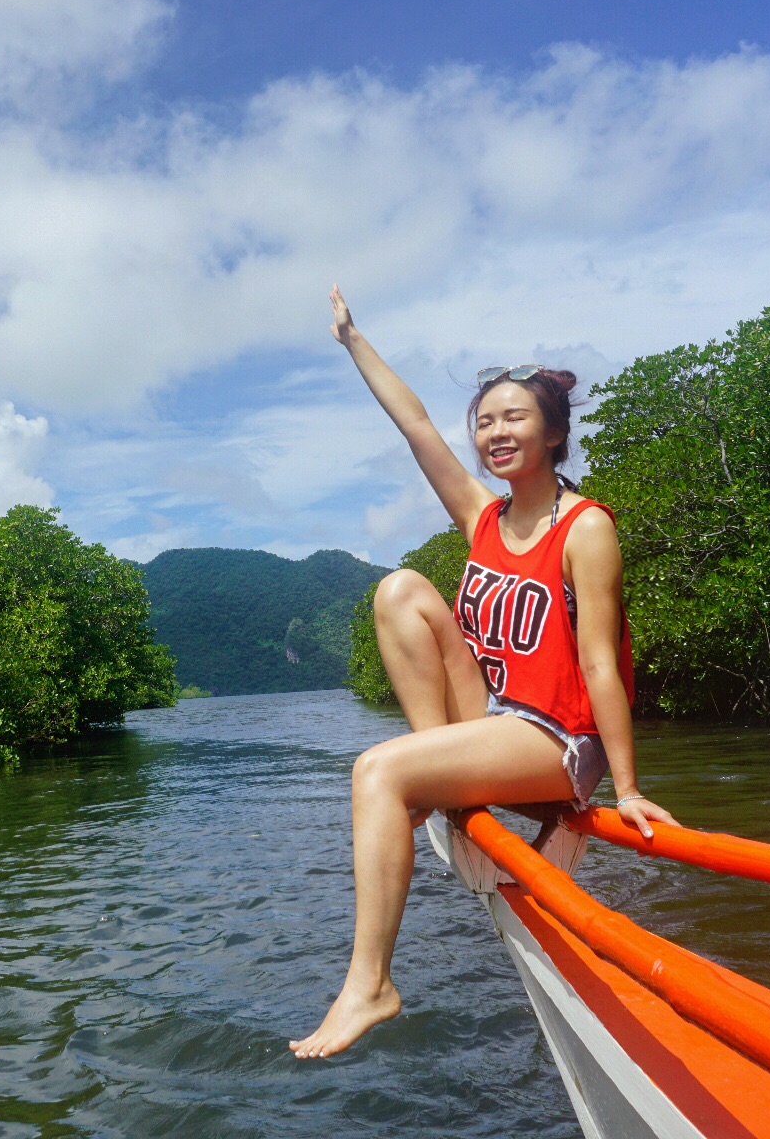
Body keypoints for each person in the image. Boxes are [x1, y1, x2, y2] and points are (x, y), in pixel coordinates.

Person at [289, 285, 679, 1061]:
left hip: (557, 741)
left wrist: (626, 787)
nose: (495, 432)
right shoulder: (483, 516)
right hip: (500, 716)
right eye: (487, 420)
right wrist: (352, 341)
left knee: (376, 772)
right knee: (400, 589)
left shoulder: (585, 526)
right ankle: (436, 779)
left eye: (515, 417)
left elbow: (603, 660)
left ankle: (371, 985)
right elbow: (413, 425)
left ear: (554, 433)